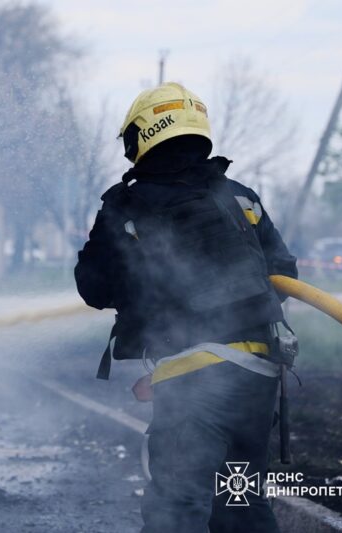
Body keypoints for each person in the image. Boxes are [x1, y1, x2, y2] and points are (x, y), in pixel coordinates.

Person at [74, 82, 298, 533]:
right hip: (258, 375)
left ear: (143, 135)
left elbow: (93, 287)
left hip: (191, 379)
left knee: (176, 507)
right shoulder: (239, 196)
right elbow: (284, 273)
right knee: (241, 502)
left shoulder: (126, 204)